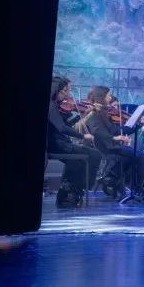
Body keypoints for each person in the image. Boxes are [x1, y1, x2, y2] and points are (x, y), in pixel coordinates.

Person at [46, 76, 102, 207]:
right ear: (56, 90)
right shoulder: (51, 106)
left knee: (84, 157)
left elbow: (66, 125)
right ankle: (79, 187)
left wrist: (81, 115)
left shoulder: (55, 105)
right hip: (57, 144)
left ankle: (70, 191)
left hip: (61, 143)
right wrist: (82, 136)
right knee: (94, 154)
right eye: (65, 91)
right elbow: (62, 128)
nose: (67, 94)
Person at [86, 86, 144, 198]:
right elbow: (97, 131)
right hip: (107, 147)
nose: (110, 98)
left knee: (135, 155)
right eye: (108, 95)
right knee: (141, 156)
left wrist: (138, 124)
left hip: (111, 145)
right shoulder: (93, 113)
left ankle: (116, 180)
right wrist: (115, 138)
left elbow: (116, 130)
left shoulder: (103, 112)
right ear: (101, 97)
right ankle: (140, 188)